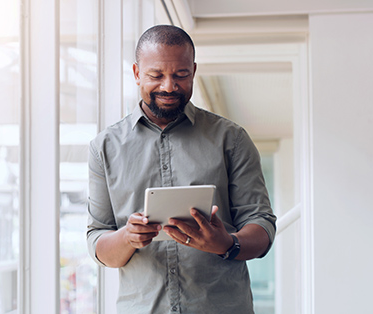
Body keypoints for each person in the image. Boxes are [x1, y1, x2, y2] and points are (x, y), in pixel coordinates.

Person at [86, 25, 276, 313]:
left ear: (194, 71)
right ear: (137, 73)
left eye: (181, 75)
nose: (169, 86)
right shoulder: (105, 148)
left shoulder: (231, 139)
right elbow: (98, 241)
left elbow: (262, 225)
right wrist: (127, 237)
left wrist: (228, 243)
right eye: (156, 75)